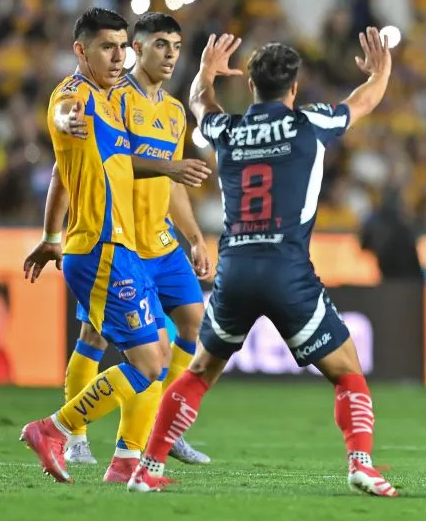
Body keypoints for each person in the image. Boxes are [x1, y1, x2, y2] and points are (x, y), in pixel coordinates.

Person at [126, 29, 399, 497]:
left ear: (251, 86)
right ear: (294, 88)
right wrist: (382, 70)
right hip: (286, 267)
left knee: (199, 372)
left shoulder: (225, 129)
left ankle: (145, 468)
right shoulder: (310, 122)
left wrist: (208, 71)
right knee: (347, 367)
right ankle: (361, 463)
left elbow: (198, 101)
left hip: (234, 269)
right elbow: (366, 101)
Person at [18, 7, 209, 483]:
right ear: (80, 50)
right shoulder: (78, 95)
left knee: (160, 351)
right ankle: (57, 429)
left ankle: (127, 465)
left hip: (126, 245)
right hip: (102, 246)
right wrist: (65, 124)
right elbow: (64, 117)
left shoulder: (110, 101)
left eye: (121, 46)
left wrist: (48, 237)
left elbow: (107, 165)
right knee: (143, 361)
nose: (118, 56)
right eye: (108, 46)